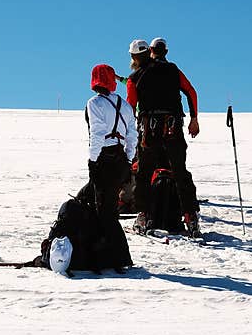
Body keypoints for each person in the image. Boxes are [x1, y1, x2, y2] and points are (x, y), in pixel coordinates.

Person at [126, 37, 202, 237]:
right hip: (173, 127)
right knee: (179, 172)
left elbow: (130, 107)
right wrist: (194, 119)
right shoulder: (173, 70)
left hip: (149, 131)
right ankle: (191, 218)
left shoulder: (136, 77)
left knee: (144, 173)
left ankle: (143, 215)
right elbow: (191, 91)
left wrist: (128, 133)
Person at [85, 64, 138, 268]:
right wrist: (128, 159)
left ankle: (119, 257)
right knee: (106, 207)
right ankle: (105, 252)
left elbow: (96, 134)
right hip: (120, 158)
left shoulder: (94, 103)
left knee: (105, 211)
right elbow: (132, 135)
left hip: (104, 158)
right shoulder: (125, 105)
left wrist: (93, 160)